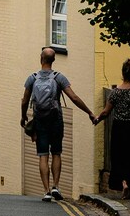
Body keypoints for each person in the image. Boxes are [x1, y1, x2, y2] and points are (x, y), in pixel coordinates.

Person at [21, 47, 96, 202]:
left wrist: (23, 117)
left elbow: (25, 100)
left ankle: (46, 190)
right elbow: (74, 98)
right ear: (53, 60)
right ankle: (56, 186)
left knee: (42, 155)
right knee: (56, 153)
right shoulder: (59, 78)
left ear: (41, 59)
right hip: (56, 120)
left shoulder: (32, 78)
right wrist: (89, 112)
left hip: (40, 120)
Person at [93, 58, 130, 199]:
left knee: (119, 157)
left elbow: (106, 112)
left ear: (122, 74)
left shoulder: (115, 92)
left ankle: (124, 184)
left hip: (119, 128)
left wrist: (97, 119)